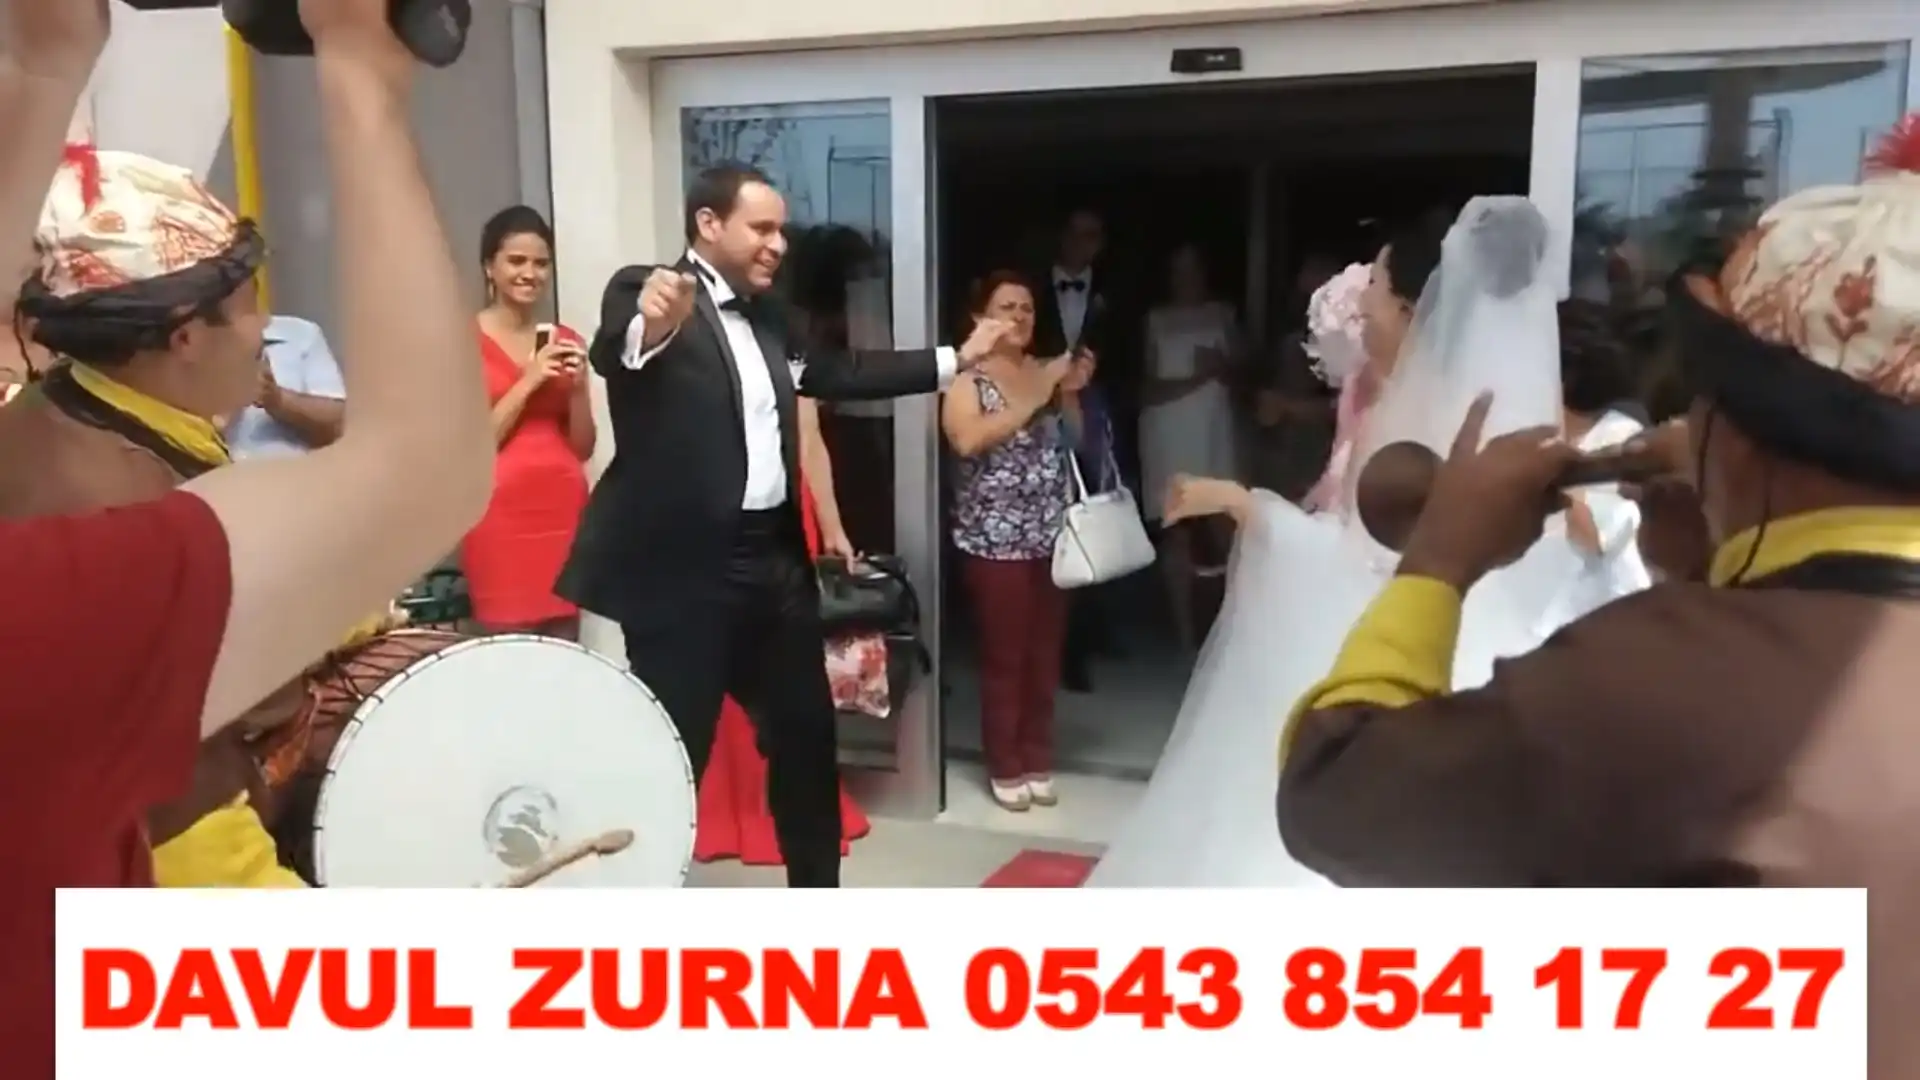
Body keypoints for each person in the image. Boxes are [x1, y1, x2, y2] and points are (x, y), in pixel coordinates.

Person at [1276, 121, 1920, 1077]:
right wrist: (1709, 569)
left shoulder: (1647, 680)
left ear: (1736, 438)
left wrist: (1440, 559)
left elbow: (1334, 793)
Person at [0, 0, 492, 1069]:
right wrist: (362, 68)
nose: (266, 332)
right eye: (247, 309)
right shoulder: (98, 512)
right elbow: (426, 470)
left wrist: (45, 65)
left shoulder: (63, 424)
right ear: (182, 337)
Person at [1083, 197, 1635, 887]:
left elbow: (1360, 561)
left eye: (1373, 285)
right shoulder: (1486, 406)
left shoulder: (1411, 420)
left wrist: (1244, 504)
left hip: (1399, 650)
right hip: (1477, 657)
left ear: (1408, 309)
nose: (1360, 303)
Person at [558, 162, 1008, 888]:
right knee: (671, 755)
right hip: (684, 577)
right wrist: (655, 322)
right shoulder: (646, 289)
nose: (778, 245)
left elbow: (840, 371)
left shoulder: (772, 314)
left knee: (807, 742)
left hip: (773, 564)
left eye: (781, 231)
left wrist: (956, 359)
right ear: (709, 224)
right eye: (761, 228)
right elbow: (621, 348)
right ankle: (633, 904)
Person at [942, 271, 1089, 811]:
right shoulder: (966, 380)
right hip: (993, 543)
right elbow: (966, 439)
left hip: (1051, 537)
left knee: (1045, 658)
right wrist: (1036, 395)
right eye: (1007, 307)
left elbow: (1077, 440)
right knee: (1006, 659)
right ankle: (1004, 763)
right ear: (980, 318)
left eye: (1027, 308)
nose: (1021, 317)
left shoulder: (1044, 372)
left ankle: (1037, 757)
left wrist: (1068, 393)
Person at [464, 205, 594, 637]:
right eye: (516, 261)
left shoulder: (565, 339)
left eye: (540, 263)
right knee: (507, 648)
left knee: (565, 646)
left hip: (563, 511)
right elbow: (473, 448)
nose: (530, 273)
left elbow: (582, 447)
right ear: (489, 267)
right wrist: (531, 379)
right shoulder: (462, 342)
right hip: (498, 516)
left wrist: (577, 389)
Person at [1140, 243, 1243, 648]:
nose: (1186, 276)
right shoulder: (1156, 319)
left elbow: (1243, 376)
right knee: (1177, 529)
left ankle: (1232, 625)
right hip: (1169, 428)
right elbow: (1147, 388)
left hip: (1215, 426)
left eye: (1193, 267)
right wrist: (1199, 377)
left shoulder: (1222, 313)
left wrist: (1222, 368)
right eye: (1179, 269)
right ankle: (1184, 632)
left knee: (1225, 524)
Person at [223, 314, 345, 458]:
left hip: (290, 470)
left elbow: (339, 423)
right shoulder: (201, 341)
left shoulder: (302, 334)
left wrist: (278, 400)